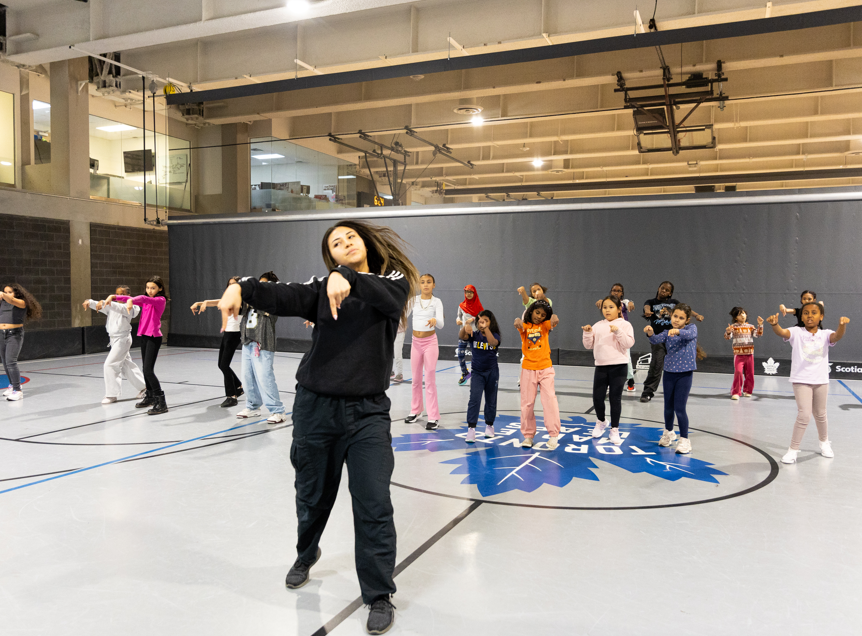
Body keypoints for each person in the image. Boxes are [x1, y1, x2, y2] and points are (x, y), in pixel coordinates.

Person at [217, 219, 417, 634]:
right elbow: (282, 293)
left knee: (374, 503)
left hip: (367, 413)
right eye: (336, 243)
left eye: (350, 237)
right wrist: (240, 287)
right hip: (315, 409)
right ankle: (306, 553)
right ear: (330, 256)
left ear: (365, 243)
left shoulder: (392, 281)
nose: (346, 243)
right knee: (311, 496)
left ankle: (378, 593)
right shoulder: (322, 288)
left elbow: (388, 297)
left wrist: (347, 277)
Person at [766, 304, 848, 464]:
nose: (810, 315)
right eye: (806, 313)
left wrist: (842, 325)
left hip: (821, 380)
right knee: (804, 415)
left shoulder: (825, 334)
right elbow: (782, 332)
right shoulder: (796, 332)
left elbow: (837, 336)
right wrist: (775, 324)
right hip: (801, 380)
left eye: (814, 313)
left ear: (821, 316)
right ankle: (793, 450)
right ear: (802, 317)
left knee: (821, 414)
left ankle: (824, 442)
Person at [108, 276, 169, 415]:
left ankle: (161, 402)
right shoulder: (146, 300)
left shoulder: (160, 300)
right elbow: (129, 298)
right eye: (147, 288)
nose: (150, 290)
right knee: (145, 369)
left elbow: (142, 298)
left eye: (153, 288)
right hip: (145, 337)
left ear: (160, 288)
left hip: (154, 338)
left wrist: (131, 300)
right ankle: (150, 396)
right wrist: (114, 297)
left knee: (148, 370)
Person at [644, 303, 698, 454]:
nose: (677, 320)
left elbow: (690, 335)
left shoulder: (691, 328)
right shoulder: (667, 332)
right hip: (668, 373)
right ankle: (669, 432)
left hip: (684, 374)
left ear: (687, 320)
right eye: (675, 316)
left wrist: (678, 331)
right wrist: (650, 333)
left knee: (679, 408)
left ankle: (685, 440)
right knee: (668, 406)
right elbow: (655, 340)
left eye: (681, 318)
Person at [583, 296, 636, 445]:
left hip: (619, 366)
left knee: (615, 398)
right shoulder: (598, 325)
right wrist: (588, 333)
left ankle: (615, 429)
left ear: (619, 309)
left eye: (611, 307)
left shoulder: (625, 324)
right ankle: (601, 421)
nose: (607, 310)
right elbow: (588, 345)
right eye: (605, 307)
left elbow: (628, 343)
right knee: (597, 398)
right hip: (601, 366)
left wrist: (618, 331)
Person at [640, 281, 704, 403]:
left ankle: (677, 390)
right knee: (657, 364)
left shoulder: (674, 303)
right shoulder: (651, 302)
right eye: (662, 288)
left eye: (667, 290)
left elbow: (686, 310)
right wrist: (647, 313)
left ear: (670, 293)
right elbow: (646, 307)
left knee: (675, 364)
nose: (663, 291)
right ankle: (648, 391)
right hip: (660, 337)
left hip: (674, 338)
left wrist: (696, 315)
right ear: (658, 288)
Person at [236, 271, 286, 424]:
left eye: (265, 284)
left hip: (262, 343)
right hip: (248, 341)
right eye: (260, 283)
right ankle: (252, 407)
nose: (261, 286)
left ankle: (278, 411)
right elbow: (238, 307)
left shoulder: (273, 300)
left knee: (265, 377)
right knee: (247, 377)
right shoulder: (250, 299)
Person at [83, 285, 146, 404]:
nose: (119, 297)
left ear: (128, 295)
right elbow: (102, 305)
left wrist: (105, 302)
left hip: (123, 339)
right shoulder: (111, 305)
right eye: (117, 294)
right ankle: (145, 388)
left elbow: (119, 307)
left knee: (110, 364)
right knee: (127, 366)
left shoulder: (132, 307)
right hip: (113, 339)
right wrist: (90, 302)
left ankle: (112, 395)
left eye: (122, 294)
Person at [191, 276, 245, 408]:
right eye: (229, 284)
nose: (231, 286)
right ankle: (238, 386)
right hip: (228, 333)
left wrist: (206, 303)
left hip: (234, 334)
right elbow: (218, 302)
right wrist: (199, 303)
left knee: (224, 365)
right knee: (221, 364)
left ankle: (232, 396)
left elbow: (223, 303)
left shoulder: (240, 299)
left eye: (234, 284)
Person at [515, 300, 561, 449]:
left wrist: (554, 317)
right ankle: (528, 435)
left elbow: (553, 321)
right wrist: (518, 321)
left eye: (543, 315)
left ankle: (553, 435)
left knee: (550, 400)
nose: (539, 316)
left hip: (545, 368)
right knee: (527, 403)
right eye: (537, 313)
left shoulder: (545, 326)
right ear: (531, 312)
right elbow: (519, 324)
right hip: (528, 369)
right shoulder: (525, 326)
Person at [404, 274, 444, 430]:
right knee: (415, 379)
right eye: (422, 282)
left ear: (434, 285)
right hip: (415, 343)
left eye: (429, 282)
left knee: (429, 379)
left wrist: (435, 320)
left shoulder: (437, 302)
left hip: (430, 343)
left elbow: (441, 324)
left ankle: (433, 417)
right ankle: (416, 410)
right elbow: (402, 315)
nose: (425, 284)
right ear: (419, 285)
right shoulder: (413, 300)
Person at [459, 309, 501, 443]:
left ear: (491, 322)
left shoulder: (495, 335)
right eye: (480, 321)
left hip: (492, 372)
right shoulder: (474, 335)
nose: (482, 323)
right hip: (477, 373)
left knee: (491, 399)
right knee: (474, 399)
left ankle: (489, 425)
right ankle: (471, 428)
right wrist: (465, 327)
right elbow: (462, 336)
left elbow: (493, 342)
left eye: (485, 321)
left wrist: (486, 328)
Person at [1, 283, 42, 401]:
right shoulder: (3, 302)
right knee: (5, 362)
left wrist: (2, 294)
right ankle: (12, 385)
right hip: (1, 334)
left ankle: (17, 390)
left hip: (14, 334)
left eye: (10, 292)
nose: (7, 294)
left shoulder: (21, 302)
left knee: (11, 361)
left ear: (16, 293)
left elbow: (11, 300)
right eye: (5, 292)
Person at [596, 283, 637, 392]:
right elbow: (603, 303)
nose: (616, 292)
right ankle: (610, 381)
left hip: (622, 334)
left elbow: (629, 303)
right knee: (610, 357)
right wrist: (601, 302)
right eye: (614, 290)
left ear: (622, 293)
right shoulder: (607, 303)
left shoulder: (624, 303)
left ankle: (630, 380)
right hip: (610, 333)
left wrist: (631, 303)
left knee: (626, 357)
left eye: (619, 291)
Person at [724, 307, 764, 400]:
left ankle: (748, 390)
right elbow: (727, 337)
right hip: (738, 355)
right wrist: (728, 332)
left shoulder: (750, 326)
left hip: (749, 354)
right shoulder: (733, 327)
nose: (742, 315)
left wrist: (760, 325)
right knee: (738, 372)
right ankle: (736, 392)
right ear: (735, 318)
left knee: (750, 373)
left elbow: (758, 334)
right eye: (739, 314)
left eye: (743, 313)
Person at [456, 284, 483, 385]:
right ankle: (465, 373)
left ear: (474, 293)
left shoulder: (478, 306)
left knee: (477, 356)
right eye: (467, 292)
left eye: (471, 292)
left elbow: (483, 318)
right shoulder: (461, 306)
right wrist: (458, 320)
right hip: (464, 334)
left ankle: (478, 376)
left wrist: (473, 319)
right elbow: (458, 316)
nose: (469, 294)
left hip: (475, 334)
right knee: (460, 354)